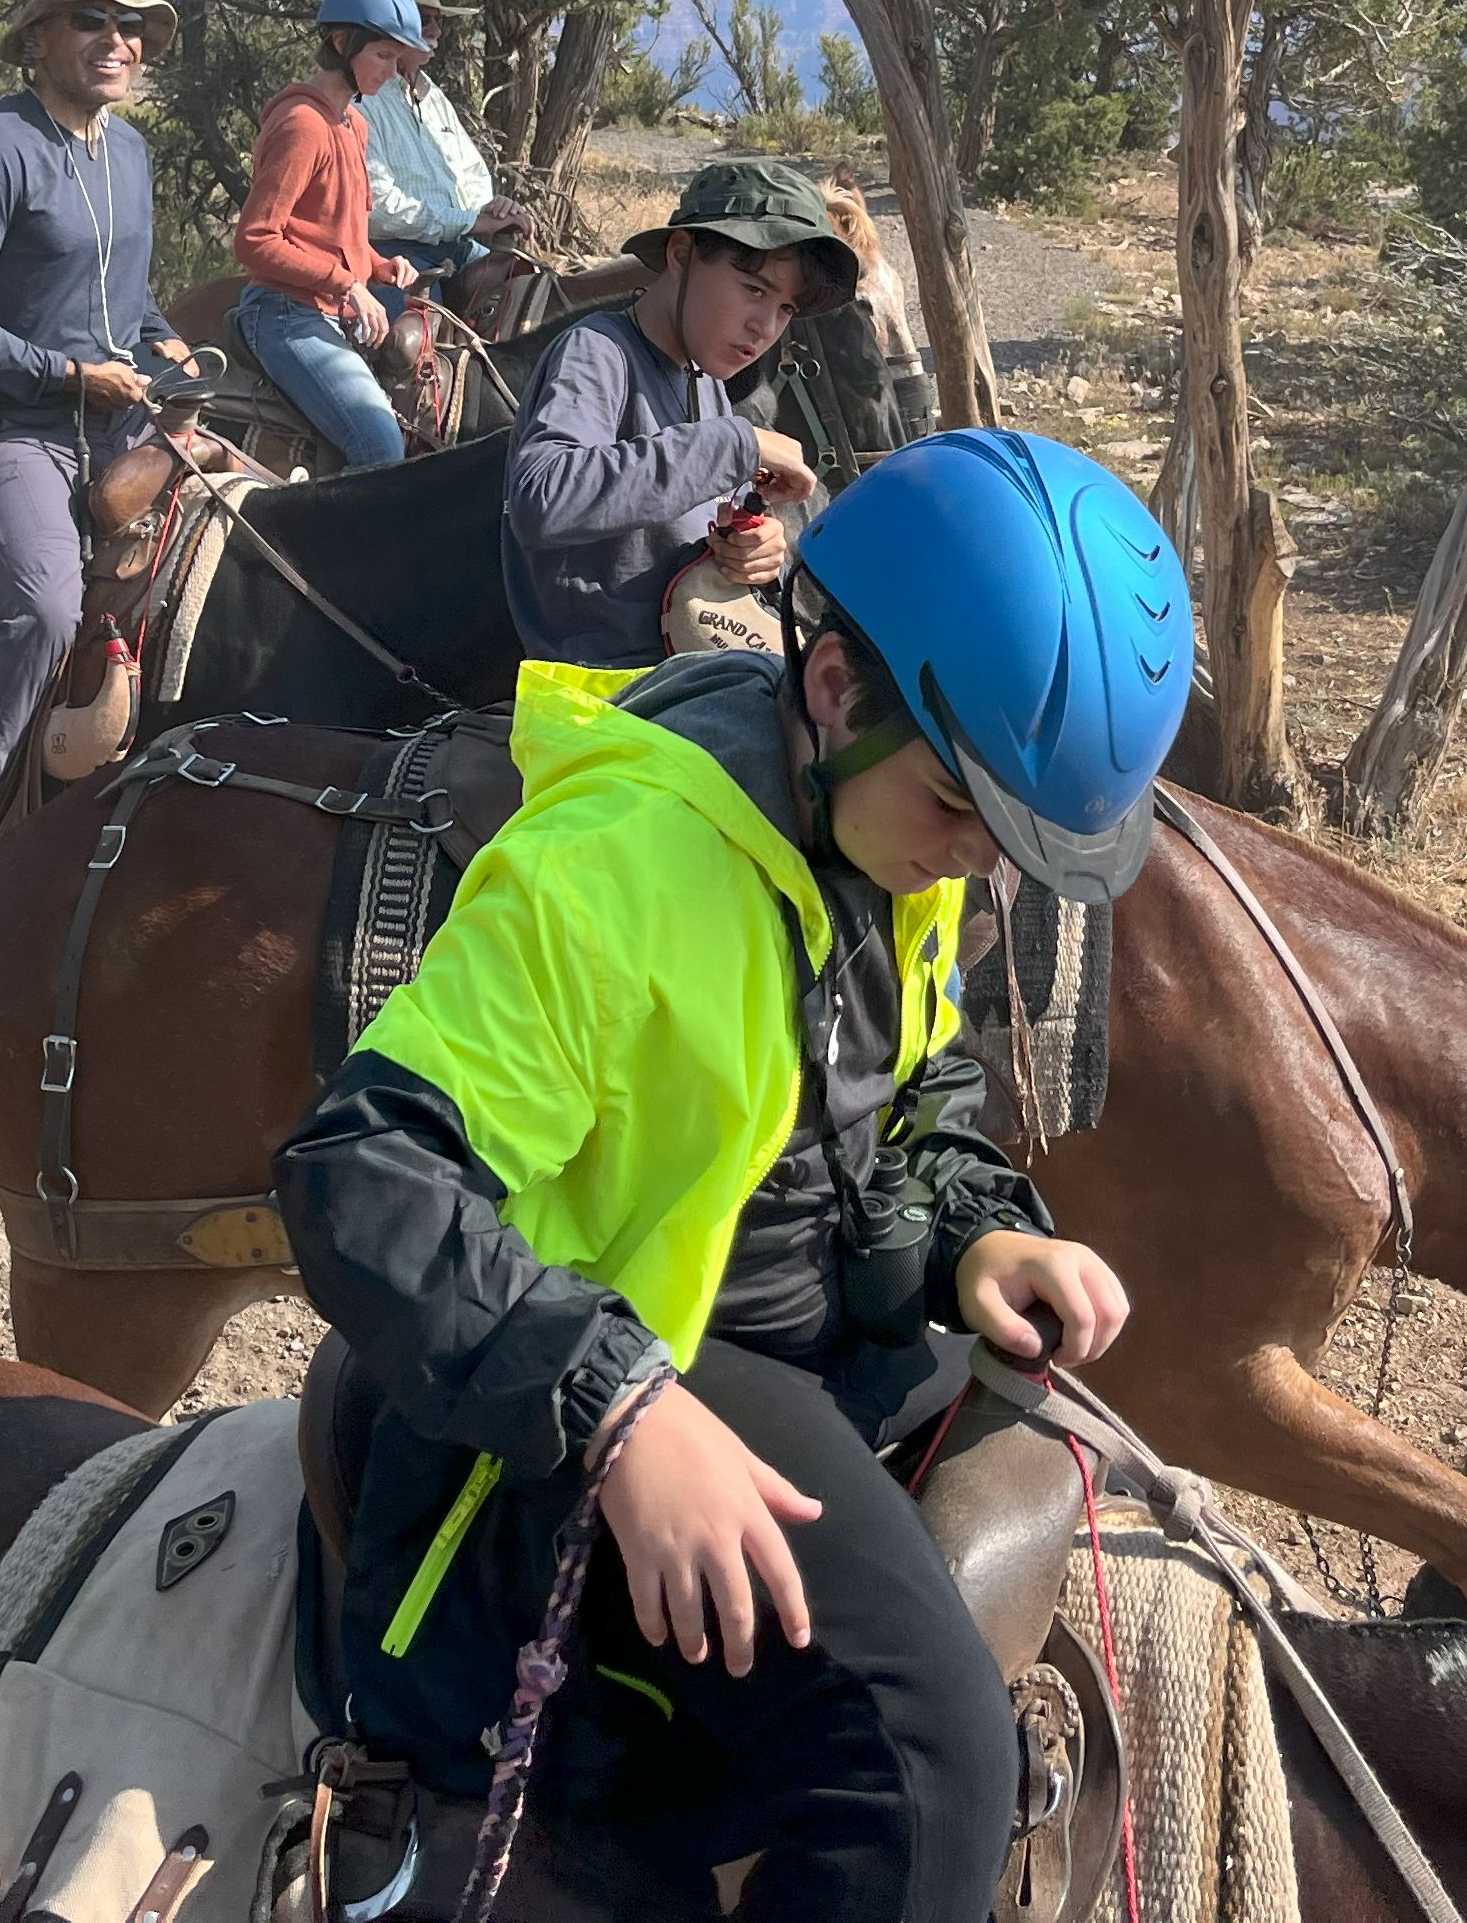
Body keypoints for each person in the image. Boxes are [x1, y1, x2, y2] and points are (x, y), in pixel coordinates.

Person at [274, 430, 1193, 1922]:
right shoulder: (617, 868)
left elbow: (910, 1089)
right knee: (928, 1776)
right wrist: (622, 1410)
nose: (976, 872)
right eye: (965, 814)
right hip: (603, 1373)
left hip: (801, 1329)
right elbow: (364, 1169)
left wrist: (973, 1232)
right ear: (832, 691)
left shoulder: (881, 846)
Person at [0, 0, 198, 925]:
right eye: (91, 23)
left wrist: (167, 344)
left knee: (240, 530)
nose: (116, 43)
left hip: (120, 420)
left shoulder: (132, 154)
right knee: (42, 608)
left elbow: (127, 297)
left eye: (130, 29)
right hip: (9, 429)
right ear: (40, 39)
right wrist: (68, 373)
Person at [502, 158, 855, 668]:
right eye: (754, 290)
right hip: (606, 689)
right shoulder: (598, 352)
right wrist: (740, 445)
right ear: (681, 254)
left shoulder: (706, 383)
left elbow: (691, 516)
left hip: (693, 669)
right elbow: (542, 496)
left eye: (786, 310)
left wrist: (755, 550)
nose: (765, 327)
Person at [231, 0, 427, 474]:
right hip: (284, 312)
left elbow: (334, 233)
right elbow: (255, 240)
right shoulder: (303, 124)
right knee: (381, 447)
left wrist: (379, 266)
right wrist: (347, 283)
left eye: (397, 58)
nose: (391, 70)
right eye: (382, 55)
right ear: (342, 43)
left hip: (328, 309)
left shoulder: (352, 124)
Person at [357, 0, 532, 296]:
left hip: (460, 248)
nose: (437, 32)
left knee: (532, 292)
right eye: (424, 21)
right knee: (409, 337)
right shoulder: (361, 101)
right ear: (388, 28)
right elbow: (376, 208)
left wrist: (490, 207)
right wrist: (469, 221)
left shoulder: (432, 96)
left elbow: (472, 172)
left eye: (437, 21)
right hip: (395, 255)